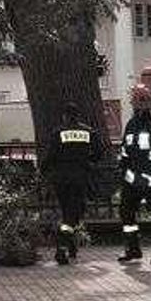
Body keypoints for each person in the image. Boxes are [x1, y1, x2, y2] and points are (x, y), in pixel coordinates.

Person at [117, 83, 151, 266]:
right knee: (126, 213)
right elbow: (126, 150)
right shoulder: (132, 124)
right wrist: (124, 170)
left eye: (137, 100)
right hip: (132, 179)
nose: (135, 104)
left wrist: (142, 170)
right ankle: (133, 248)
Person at [47, 101, 103, 265]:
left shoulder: (58, 132)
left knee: (67, 212)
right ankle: (62, 247)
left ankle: (70, 248)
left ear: (65, 116)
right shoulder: (88, 131)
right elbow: (99, 153)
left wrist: (44, 171)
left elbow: (51, 155)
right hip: (80, 177)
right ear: (78, 116)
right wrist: (87, 160)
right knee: (74, 214)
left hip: (61, 179)